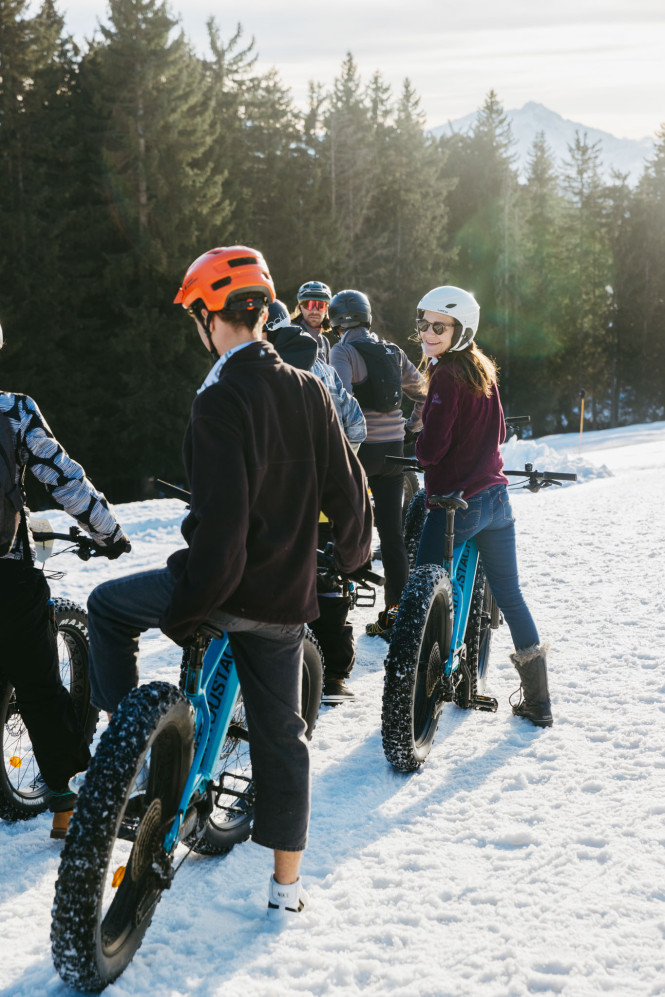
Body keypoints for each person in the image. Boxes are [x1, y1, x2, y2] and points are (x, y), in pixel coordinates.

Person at [84, 249, 373, 914]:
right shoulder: (308, 387)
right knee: (282, 736)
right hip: (282, 601)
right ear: (264, 311)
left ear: (211, 318)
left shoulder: (217, 397)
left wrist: (188, 610)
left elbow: (219, 528)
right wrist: (352, 557)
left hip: (223, 586)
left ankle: (118, 756)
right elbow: (351, 494)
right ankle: (286, 888)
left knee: (106, 606)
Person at [0, 322, 131, 839]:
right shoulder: (13, 411)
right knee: (38, 686)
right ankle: (66, 804)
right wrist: (108, 532)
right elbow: (64, 477)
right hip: (7, 574)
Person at [413, 285, 553, 728]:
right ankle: (539, 702)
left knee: (425, 592)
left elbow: (432, 449)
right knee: (510, 596)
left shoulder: (446, 377)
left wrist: (418, 444)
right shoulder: (481, 370)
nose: (428, 333)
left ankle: (413, 696)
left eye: (440, 326)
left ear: (461, 330)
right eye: (424, 323)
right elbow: (495, 435)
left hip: (456, 503)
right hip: (497, 499)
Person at [263, 300, 366, 703]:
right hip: (323, 499)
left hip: (272, 504)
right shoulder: (320, 367)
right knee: (329, 580)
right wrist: (339, 471)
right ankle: (334, 675)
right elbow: (354, 423)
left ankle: (281, 675)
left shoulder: (249, 372)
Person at [329, 290, 428, 639]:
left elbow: (337, 398)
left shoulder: (342, 351)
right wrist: (411, 426)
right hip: (395, 453)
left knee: (343, 528)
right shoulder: (393, 351)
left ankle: (336, 610)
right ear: (367, 317)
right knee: (393, 535)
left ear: (335, 321)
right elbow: (424, 392)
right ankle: (395, 616)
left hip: (361, 453)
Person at [291, 280, 333, 363]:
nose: (314, 311)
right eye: (308, 305)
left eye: (320, 306)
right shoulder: (291, 334)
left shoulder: (324, 343)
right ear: (300, 308)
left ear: (326, 310)